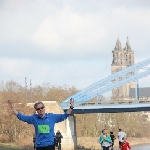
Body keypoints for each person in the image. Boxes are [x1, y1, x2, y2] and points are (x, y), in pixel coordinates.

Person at [7, 98, 74, 150]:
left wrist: (71, 107)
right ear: (36, 110)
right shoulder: (34, 118)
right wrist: (13, 108)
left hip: (50, 145)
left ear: (44, 108)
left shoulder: (52, 117)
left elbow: (65, 115)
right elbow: (22, 117)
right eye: (38, 109)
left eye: (42, 108)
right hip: (39, 145)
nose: (41, 109)